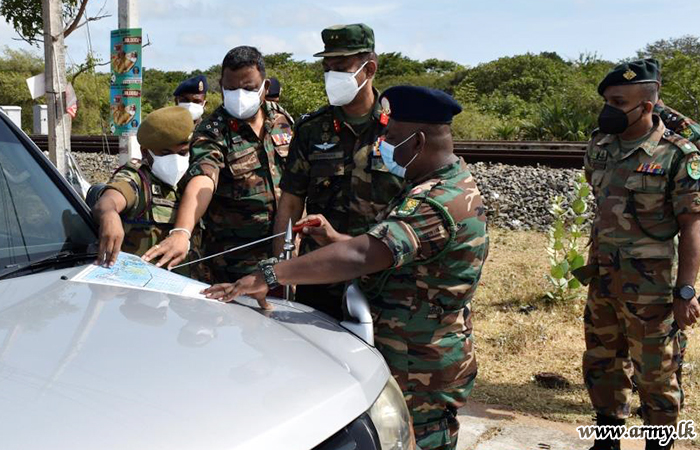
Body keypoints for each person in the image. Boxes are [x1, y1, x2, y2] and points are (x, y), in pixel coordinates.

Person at [203, 86, 489, 450]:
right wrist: (334, 238)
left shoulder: (437, 202)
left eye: (392, 137)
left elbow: (362, 256)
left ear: (418, 141)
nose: (383, 144)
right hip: (412, 352)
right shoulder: (441, 184)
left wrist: (270, 274)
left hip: (421, 366)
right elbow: (391, 251)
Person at [573, 58, 700, 450]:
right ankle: (606, 440)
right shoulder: (600, 146)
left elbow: (692, 226)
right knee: (602, 363)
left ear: (646, 106)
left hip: (652, 290)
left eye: (618, 102)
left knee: (656, 373)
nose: (608, 110)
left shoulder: (677, 155)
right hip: (603, 278)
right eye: (607, 101)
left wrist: (686, 290)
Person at [272, 23, 404, 319]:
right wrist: (280, 267)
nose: (332, 76)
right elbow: (291, 202)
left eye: (341, 68)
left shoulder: (399, 128)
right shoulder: (311, 129)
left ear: (370, 69)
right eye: (327, 68)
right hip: (322, 273)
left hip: (384, 272)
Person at [142, 46, 294, 284]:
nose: (240, 95)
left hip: (287, 252)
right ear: (221, 86)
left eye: (249, 88)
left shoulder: (281, 119)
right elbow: (203, 179)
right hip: (235, 265)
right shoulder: (213, 132)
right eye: (231, 89)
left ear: (265, 87)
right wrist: (182, 231)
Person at [92, 106, 195, 273]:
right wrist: (109, 215)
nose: (176, 161)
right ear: (145, 152)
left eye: (182, 153)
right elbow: (110, 200)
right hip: (142, 282)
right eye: (166, 153)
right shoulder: (137, 179)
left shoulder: (193, 180)